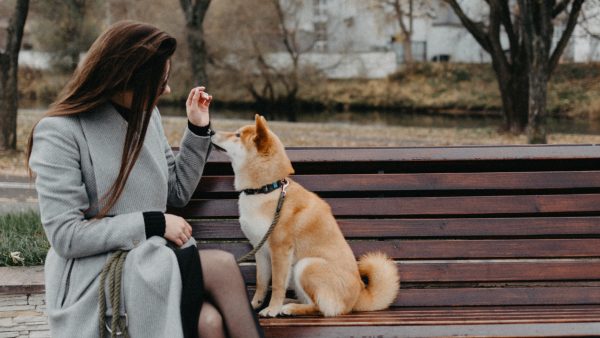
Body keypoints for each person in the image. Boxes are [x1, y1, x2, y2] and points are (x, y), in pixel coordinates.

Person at [26, 21, 264, 338]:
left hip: (154, 262)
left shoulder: (147, 117)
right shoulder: (59, 132)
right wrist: (152, 223)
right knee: (220, 267)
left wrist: (197, 129)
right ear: (127, 79)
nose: (166, 90)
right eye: (159, 82)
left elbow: (176, 192)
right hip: (97, 273)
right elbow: (66, 236)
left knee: (210, 324)